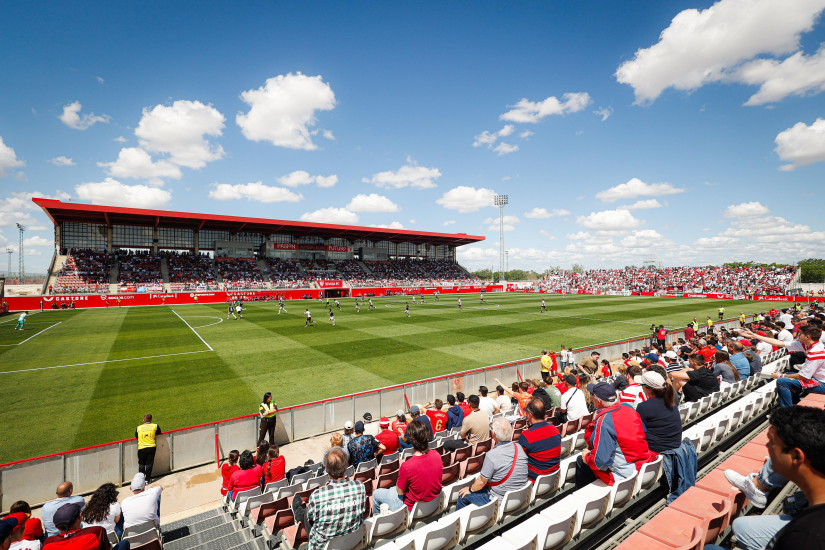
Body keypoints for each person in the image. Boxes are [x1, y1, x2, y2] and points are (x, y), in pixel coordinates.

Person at [705, 406, 825, 550]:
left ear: (796, 456)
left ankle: (759, 486)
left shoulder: (803, 537)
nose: (767, 445)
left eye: (772, 442)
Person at [576, 382, 657, 488]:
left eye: (592, 395)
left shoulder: (604, 420)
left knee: (581, 461)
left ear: (598, 401)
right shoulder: (628, 407)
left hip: (627, 475)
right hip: (645, 463)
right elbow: (643, 433)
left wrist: (587, 457)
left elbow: (600, 462)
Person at [739, 325, 825, 406]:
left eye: (800, 334)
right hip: (818, 379)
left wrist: (780, 375)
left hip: (821, 383)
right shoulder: (813, 345)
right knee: (790, 375)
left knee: (782, 382)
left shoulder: (815, 353)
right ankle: (795, 404)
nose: (798, 336)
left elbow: (802, 376)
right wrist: (755, 335)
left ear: (807, 337)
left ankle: (787, 412)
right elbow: (778, 343)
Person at [455, 418, 529, 509]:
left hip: (501, 501)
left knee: (462, 496)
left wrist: (469, 489)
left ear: (493, 434)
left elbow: (481, 481)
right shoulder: (519, 447)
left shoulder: (491, 455)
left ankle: (459, 522)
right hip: (520, 495)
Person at [371, 421, 442, 515]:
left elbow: (400, 492)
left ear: (411, 440)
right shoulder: (437, 455)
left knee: (376, 494)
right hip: (433, 504)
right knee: (391, 490)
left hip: (412, 510)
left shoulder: (407, 466)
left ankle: (377, 520)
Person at [306, 447, 366, 550]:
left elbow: (310, 517)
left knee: (305, 516)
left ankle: (298, 511)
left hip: (323, 546)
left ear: (326, 470)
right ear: (347, 465)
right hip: (353, 542)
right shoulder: (360, 487)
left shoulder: (317, 496)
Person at [42, 503, 129, 550]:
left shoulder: (47, 544)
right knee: (124, 543)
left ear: (55, 526)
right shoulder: (96, 532)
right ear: (80, 517)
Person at [635, 372, 682, 453]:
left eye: (642, 385)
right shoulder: (670, 401)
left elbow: (638, 432)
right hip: (675, 446)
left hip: (657, 450)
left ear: (649, 389)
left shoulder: (643, 407)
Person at [518, 398, 561, 481]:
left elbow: (520, 462)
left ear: (530, 415)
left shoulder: (526, 436)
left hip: (535, 480)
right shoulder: (555, 430)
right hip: (554, 477)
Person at [135, 414, 161, 483]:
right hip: (151, 447)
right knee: (149, 464)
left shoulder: (139, 427)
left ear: (143, 420)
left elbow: (136, 436)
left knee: (141, 464)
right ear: (151, 420)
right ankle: (147, 480)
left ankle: (141, 480)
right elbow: (159, 432)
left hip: (141, 448)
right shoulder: (155, 426)